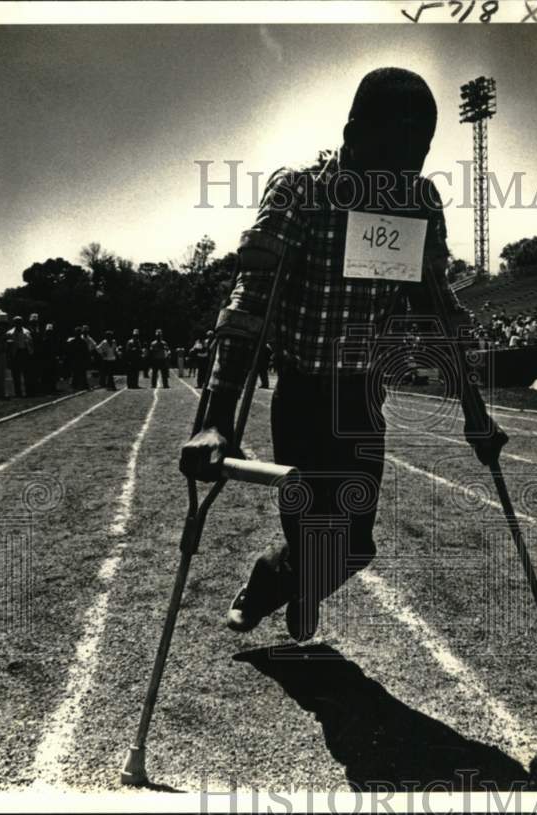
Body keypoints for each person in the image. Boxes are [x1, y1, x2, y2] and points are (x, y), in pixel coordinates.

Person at [180, 67, 507, 643]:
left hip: (360, 393)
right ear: (354, 131)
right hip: (303, 391)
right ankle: (276, 580)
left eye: (421, 152)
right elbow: (248, 307)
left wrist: (474, 409)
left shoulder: (418, 203)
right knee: (312, 531)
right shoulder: (300, 191)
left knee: (353, 544)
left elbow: (434, 305)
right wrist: (214, 423)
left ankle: (288, 584)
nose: (408, 167)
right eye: (397, 148)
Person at [6, 316, 33, 398]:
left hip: (25, 352)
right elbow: (8, 346)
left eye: (20, 322)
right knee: (16, 374)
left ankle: (28, 391)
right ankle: (18, 392)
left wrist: (30, 351)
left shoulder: (27, 332)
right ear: (14, 323)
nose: (18, 324)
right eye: (17, 322)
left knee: (27, 373)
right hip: (16, 353)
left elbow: (31, 343)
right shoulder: (10, 333)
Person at [65, 326, 91, 390]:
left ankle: (81, 385)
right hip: (76, 359)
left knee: (80, 372)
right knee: (76, 372)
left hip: (79, 359)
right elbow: (69, 351)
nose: (78, 334)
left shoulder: (81, 342)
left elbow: (86, 352)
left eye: (79, 333)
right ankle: (76, 385)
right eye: (77, 333)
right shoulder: (73, 341)